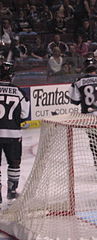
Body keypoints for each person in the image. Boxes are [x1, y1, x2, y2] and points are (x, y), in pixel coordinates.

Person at [68, 58, 97, 167]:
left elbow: (74, 100)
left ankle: (96, 159)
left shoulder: (78, 81)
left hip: (89, 117)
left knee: (93, 139)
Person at [0, 61, 30, 203]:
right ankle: (11, 192)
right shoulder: (19, 92)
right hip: (13, 135)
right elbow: (24, 115)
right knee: (14, 163)